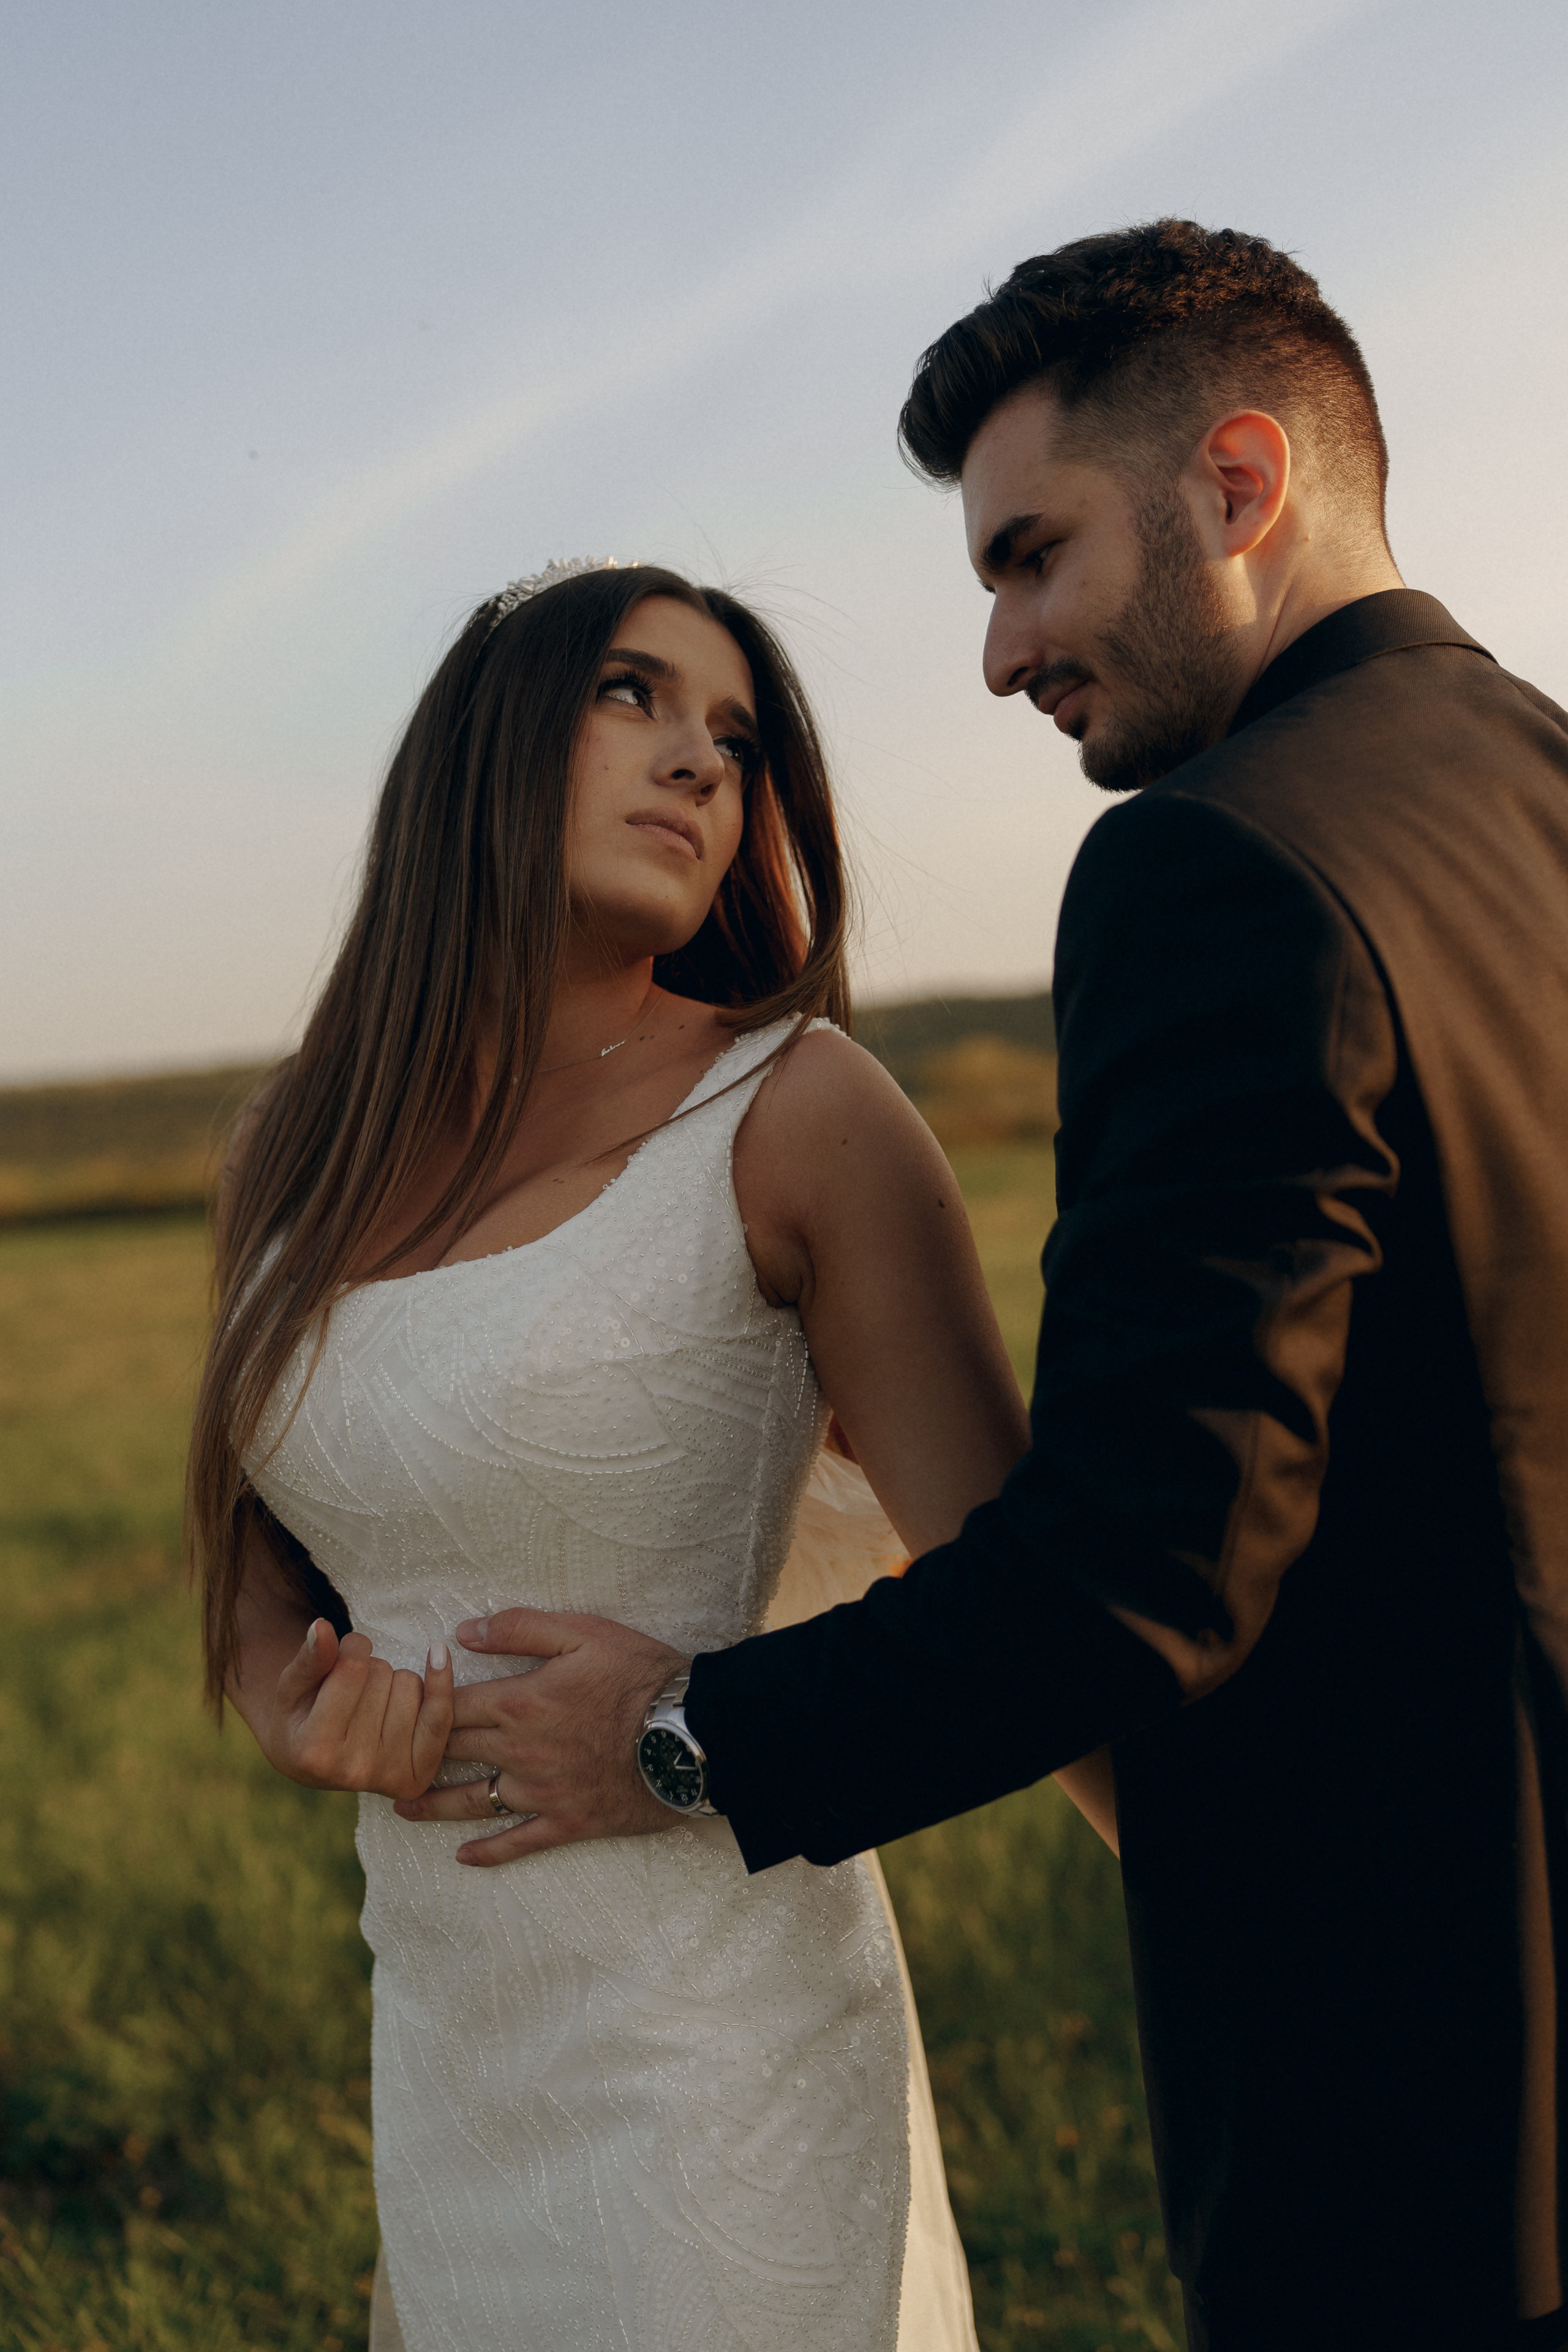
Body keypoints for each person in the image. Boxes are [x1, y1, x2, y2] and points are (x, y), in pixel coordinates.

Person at [449, 227, 1568, 2351]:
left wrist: (681, 1734)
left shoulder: (1218, 862)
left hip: (1419, 2083)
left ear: (1239, 487)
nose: (996, 653)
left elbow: (1151, 1559)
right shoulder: (1547, 783)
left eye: (1031, 556)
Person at [186, 556, 1094, 2352]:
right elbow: (250, 1549)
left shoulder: (800, 1113)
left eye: (737, 739)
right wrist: (291, 1707)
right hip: (450, 2055)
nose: (700, 762)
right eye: (634, 695)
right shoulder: (291, 1147)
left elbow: (1037, 1609)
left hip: (723, 2068)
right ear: (484, 747)